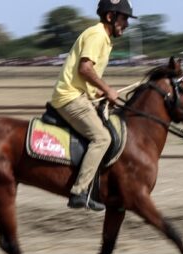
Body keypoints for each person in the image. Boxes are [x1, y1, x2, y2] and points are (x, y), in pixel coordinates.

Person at [50, 0, 137, 210]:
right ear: (110, 17)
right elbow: (85, 69)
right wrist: (107, 89)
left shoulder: (104, 39)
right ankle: (78, 192)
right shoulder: (97, 35)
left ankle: (97, 191)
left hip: (80, 95)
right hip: (69, 97)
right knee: (102, 138)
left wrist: (100, 92)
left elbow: (88, 77)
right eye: (124, 18)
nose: (126, 24)